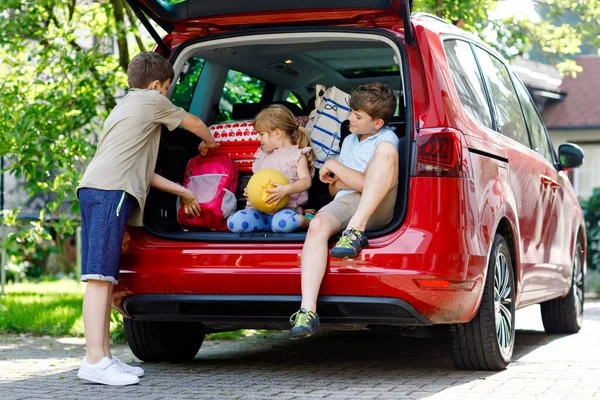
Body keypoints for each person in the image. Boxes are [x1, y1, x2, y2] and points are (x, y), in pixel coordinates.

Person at [76, 52, 218, 385]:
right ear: (157, 85)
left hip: (100, 189)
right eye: (168, 88)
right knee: (100, 278)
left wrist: (184, 192)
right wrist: (211, 143)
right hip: (110, 192)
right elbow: (195, 124)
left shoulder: (125, 106)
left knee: (103, 277)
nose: (166, 95)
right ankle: (94, 360)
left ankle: (104, 358)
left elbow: (145, 172)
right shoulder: (151, 101)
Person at [289, 82, 399, 339]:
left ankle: (355, 230)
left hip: (375, 206)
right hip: (347, 200)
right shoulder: (349, 140)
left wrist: (334, 166)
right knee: (317, 226)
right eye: (351, 112)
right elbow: (334, 190)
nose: (349, 118)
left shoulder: (386, 140)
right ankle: (307, 312)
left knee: (383, 154)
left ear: (378, 123)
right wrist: (340, 171)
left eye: (357, 116)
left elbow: (363, 184)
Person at [227, 104, 315, 233]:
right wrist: (250, 191)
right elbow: (256, 180)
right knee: (234, 223)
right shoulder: (263, 155)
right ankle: (266, 224)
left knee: (282, 224)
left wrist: (286, 189)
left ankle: (308, 220)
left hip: (286, 211)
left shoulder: (296, 156)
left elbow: (306, 181)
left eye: (261, 134)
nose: (258, 138)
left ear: (277, 133)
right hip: (260, 211)